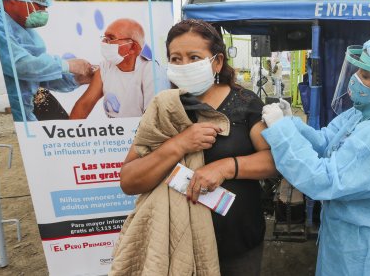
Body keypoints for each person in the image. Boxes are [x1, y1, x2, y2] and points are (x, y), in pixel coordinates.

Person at [260, 36, 370, 276]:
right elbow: (326, 141)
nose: (355, 80)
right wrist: (291, 122)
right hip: (348, 239)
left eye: (366, 76)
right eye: (358, 72)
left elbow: (323, 180)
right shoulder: (368, 112)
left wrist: (281, 132)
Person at [118, 19, 276, 275]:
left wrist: (226, 167)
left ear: (217, 62)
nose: (184, 66)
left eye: (194, 57)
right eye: (176, 58)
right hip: (176, 248)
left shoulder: (246, 102)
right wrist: (179, 144)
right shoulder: (164, 108)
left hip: (237, 246)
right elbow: (129, 180)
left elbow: (274, 161)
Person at [0, 0, 93, 121]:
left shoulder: (20, 26)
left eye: (46, 8)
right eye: (40, 5)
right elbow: (20, 65)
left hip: (26, 110)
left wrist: (75, 78)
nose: (43, 13)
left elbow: (39, 74)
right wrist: (68, 65)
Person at [69, 18, 168, 119]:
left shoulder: (151, 72)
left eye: (111, 38)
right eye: (105, 37)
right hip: (117, 133)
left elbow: (154, 120)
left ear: (133, 48)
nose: (105, 42)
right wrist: (69, 132)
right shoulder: (105, 68)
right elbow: (84, 105)